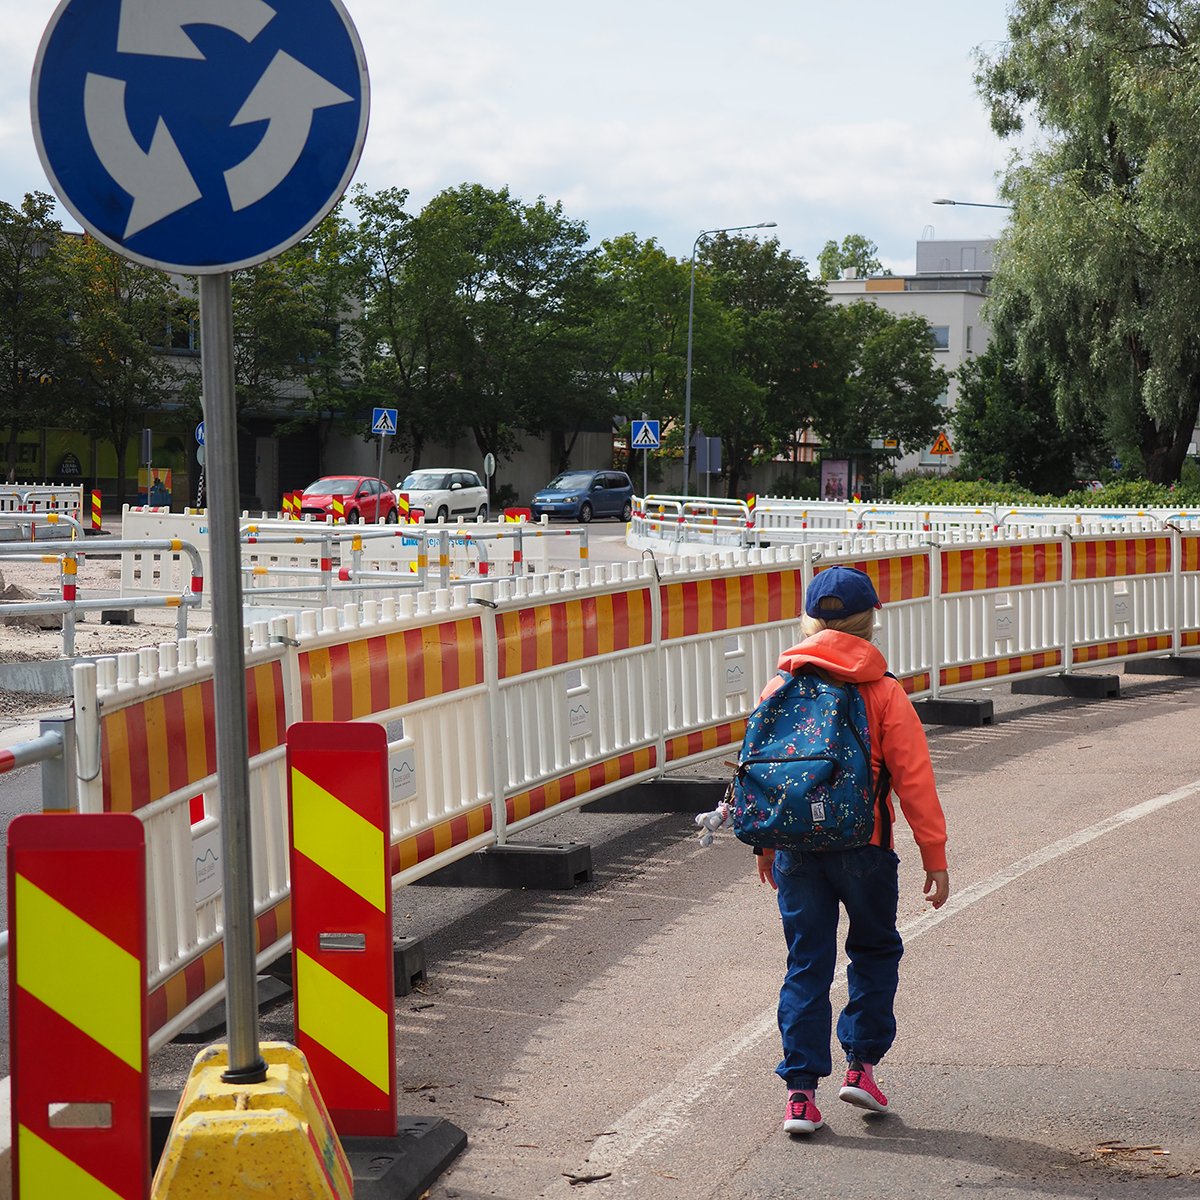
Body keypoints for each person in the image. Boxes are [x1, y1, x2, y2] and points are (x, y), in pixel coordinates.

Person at [754, 565, 949, 1136]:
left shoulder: (780, 686)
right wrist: (934, 855)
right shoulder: (883, 691)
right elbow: (914, 779)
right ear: (870, 621)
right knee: (874, 950)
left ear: (808, 621)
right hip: (865, 847)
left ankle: (799, 1096)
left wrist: (765, 842)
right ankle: (861, 1067)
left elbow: (764, 772)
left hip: (796, 848)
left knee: (806, 962)